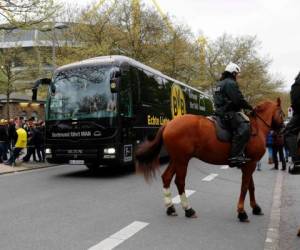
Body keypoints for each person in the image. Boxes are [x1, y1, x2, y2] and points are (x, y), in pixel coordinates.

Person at [213, 62, 253, 167]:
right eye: (237, 74)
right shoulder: (230, 83)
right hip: (228, 113)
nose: (237, 76)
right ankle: (236, 156)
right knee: (244, 127)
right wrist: (250, 107)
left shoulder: (219, 83)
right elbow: (238, 100)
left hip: (219, 112)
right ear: (233, 73)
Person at [284, 72, 300, 169]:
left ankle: (296, 160)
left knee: (288, 132)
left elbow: (296, 102)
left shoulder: (297, 83)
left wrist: (294, 108)